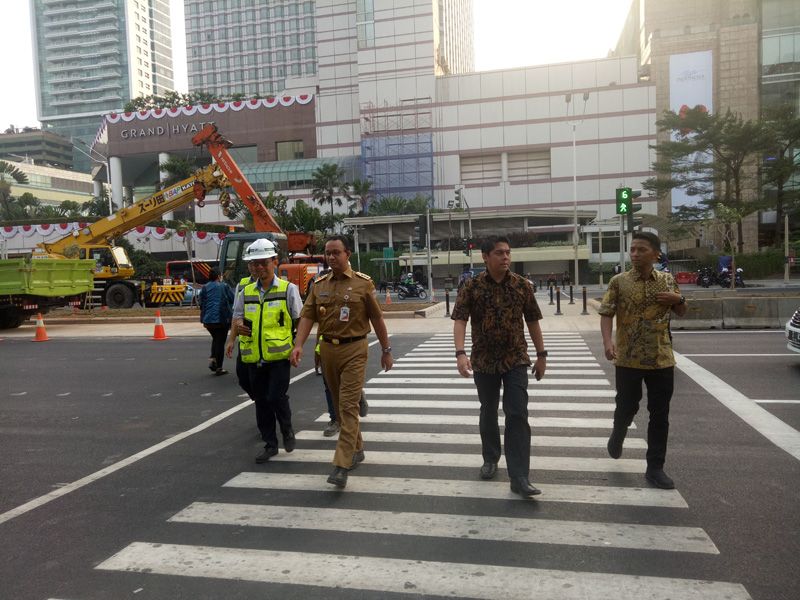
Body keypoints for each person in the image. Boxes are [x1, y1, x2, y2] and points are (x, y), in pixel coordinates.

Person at [290, 235, 393, 488]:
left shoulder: (362, 284)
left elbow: (377, 319)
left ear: (347, 254)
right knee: (339, 407)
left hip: (355, 349)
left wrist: (386, 349)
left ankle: (341, 464)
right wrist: (299, 345)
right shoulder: (319, 284)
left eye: (336, 252)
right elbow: (308, 316)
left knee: (348, 407)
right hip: (327, 350)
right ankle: (357, 448)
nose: (331, 257)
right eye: (328, 253)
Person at [451, 235, 547, 499]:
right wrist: (460, 353)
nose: (505, 257)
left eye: (508, 253)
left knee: (517, 413)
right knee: (488, 410)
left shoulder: (521, 286)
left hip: (515, 359)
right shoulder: (471, 287)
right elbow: (460, 320)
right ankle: (491, 457)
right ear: (485, 257)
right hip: (483, 360)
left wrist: (542, 355)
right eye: (499, 253)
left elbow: (533, 321)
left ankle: (519, 477)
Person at [598, 231, 688, 490]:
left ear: (656, 254)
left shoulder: (668, 281)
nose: (635, 254)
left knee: (660, 414)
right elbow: (606, 312)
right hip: (628, 358)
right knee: (627, 405)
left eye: (641, 250)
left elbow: (681, 312)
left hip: (661, 359)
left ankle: (655, 467)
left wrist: (677, 299)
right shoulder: (619, 281)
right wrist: (607, 342)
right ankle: (619, 431)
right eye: (633, 249)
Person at [234, 238, 303, 464]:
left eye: (263, 262)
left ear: (274, 262)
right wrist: (236, 332)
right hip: (253, 356)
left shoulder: (288, 290)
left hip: (279, 356)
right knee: (261, 402)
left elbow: (300, 320)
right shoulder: (245, 291)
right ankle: (270, 444)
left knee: (276, 396)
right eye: (254, 264)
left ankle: (287, 429)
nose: (258, 267)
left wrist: (297, 346)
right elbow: (237, 318)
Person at [225, 260, 258, 398]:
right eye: (251, 263)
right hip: (247, 338)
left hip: (269, 339)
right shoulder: (243, 284)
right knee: (243, 376)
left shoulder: (281, 285)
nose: (254, 267)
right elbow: (236, 314)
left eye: (255, 263)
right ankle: (258, 397)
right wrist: (231, 340)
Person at [198, 269, 234, 376]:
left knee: (216, 339)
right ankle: (218, 367)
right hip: (221, 319)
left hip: (207, 320)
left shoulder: (204, 287)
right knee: (220, 342)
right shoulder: (224, 286)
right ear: (219, 276)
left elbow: (201, 302)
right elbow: (232, 299)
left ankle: (213, 359)